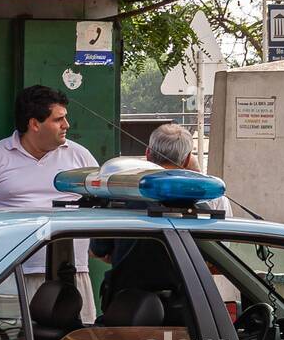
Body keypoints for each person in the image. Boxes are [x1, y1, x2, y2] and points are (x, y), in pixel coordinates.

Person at [0, 85, 99, 321]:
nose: (67, 125)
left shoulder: (80, 157)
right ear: (35, 124)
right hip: (12, 276)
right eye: (59, 119)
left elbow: (101, 208)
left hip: (72, 275)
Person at [91, 124, 232, 310]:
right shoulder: (205, 206)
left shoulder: (121, 198)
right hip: (186, 313)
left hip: (124, 311)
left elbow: (98, 252)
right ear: (188, 159)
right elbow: (215, 261)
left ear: (148, 153)